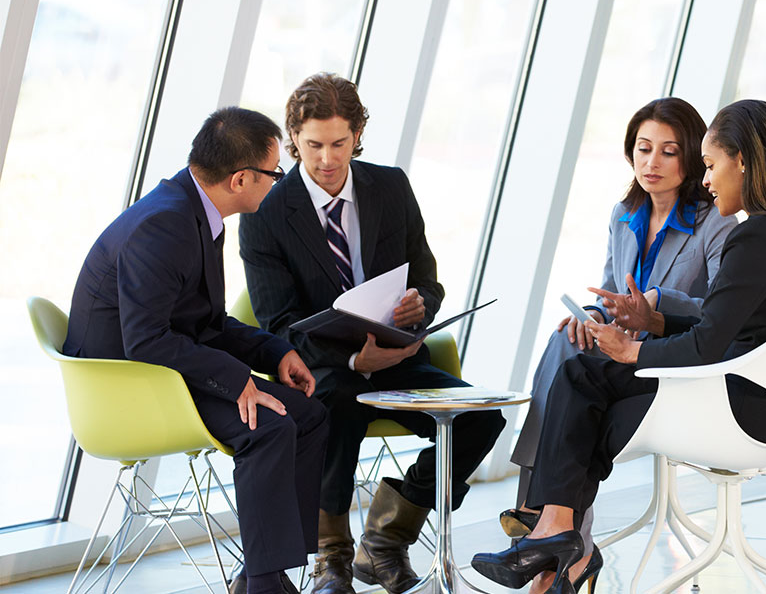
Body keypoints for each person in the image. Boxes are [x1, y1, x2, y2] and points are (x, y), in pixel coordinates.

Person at [471, 99, 766, 594]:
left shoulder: (755, 236)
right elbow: (733, 326)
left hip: (738, 407)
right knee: (584, 382)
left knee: (584, 385)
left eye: (710, 166)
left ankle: (557, 535)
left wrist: (634, 352)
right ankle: (557, 535)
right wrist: (656, 321)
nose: (706, 180)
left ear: (745, 161)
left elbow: (710, 341)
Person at [238, 72, 505, 594]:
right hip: (325, 369)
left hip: (398, 358)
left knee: (480, 420)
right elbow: (277, 323)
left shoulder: (391, 186)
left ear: (358, 133)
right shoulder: (266, 212)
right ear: (293, 138)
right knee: (333, 404)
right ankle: (331, 561)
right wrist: (357, 362)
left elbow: (427, 279)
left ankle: (386, 539)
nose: (327, 159)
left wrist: (417, 307)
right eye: (313, 145)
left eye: (339, 143)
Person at [63, 107, 329, 594]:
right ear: (241, 178)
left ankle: (258, 573)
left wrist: (273, 355)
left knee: (308, 414)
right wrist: (236, 380)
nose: (277, 183)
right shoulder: (164, 225)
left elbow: (206, 323)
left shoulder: (196, 212)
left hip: (168, 368)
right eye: (274, 174)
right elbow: (145, 340)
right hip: (132, 385)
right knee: (266, 426)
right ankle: (266, 583)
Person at [504, 98, 736, 583]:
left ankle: (542, 515)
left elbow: (720, 313)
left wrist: (656, 305)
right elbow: (609, 289)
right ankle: (564, 539)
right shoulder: (624, 213)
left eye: (669, 152)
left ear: (692, 156)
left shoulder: (714, 221)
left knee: (573, 375)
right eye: (643, 148)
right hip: (616, 355)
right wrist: (591, 314)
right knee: (566, 339)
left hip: (672, 363)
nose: (652, 162)